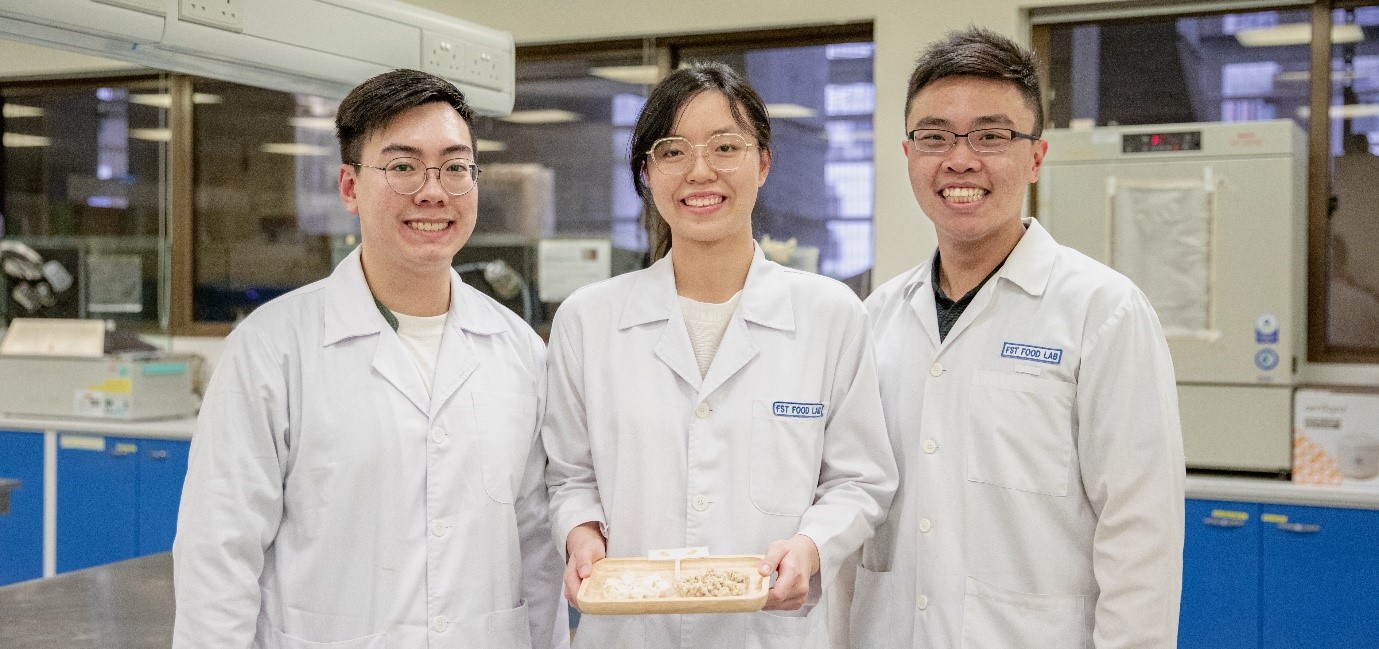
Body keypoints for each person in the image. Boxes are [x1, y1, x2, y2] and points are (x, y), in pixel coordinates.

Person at [172, 69, 567, 649]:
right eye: (402, 166)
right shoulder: (273, 349)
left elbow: (537, 551)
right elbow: (219, 553)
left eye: (456, 167)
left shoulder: (519, 351)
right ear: (350, 187)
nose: (433, 191)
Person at [849, 28, 1185, 649]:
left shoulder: (1102, 313)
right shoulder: (874, 322)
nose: (960, 159)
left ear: (1034, 155)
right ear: (907, 153)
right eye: (935, 136)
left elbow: (1142, 534)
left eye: (991, 135)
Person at [542, 62, 897, 649]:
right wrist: (581, 536)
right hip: (632, 632)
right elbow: (570, 476)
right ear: (646, 173)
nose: (700, 171)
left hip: (772, 631)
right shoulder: (589, 318)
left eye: (725, 147)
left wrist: (810, 548)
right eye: (672, 151)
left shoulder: (828, 313)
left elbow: (860, 480)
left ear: (763, 163)